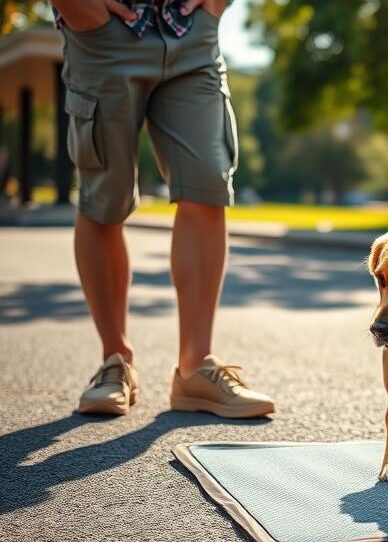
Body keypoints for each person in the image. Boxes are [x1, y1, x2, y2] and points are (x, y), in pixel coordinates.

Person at [53, 0, 275, 418]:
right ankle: (114, 361)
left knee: (207, 184)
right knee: (105, 199)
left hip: (191, 29)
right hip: (103, 34)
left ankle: (195, 368)